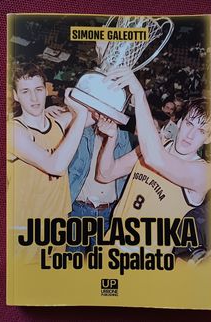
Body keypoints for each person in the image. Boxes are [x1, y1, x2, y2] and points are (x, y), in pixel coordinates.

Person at [96, 67, 211, 254]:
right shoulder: (154, 146)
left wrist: (140, 95)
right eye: (189, 124)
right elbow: (105, 174)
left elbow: (155, 158)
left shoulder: (204, 173)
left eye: (201, 131)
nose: (190, 135)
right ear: (179, 123)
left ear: (208, 139)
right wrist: (111, 139)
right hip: (110, 248)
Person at [7, 63, 88, 262]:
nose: (34, 98)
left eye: (38, 89)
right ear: (16, 96)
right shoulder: (12, 131)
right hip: (24, 228)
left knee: (51, 286)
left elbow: (97, 113)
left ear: (47, 90)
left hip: (56, 224)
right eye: (25, 92)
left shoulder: (59, 122)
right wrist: (80, 114)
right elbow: (56, 166)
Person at [67, 42, 138, 254]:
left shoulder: (126, 140)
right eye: (99, 104)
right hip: (78, 211)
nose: (104, 112)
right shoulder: (77, 132)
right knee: (72, 269)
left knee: (102, 272)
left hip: (109, 214)